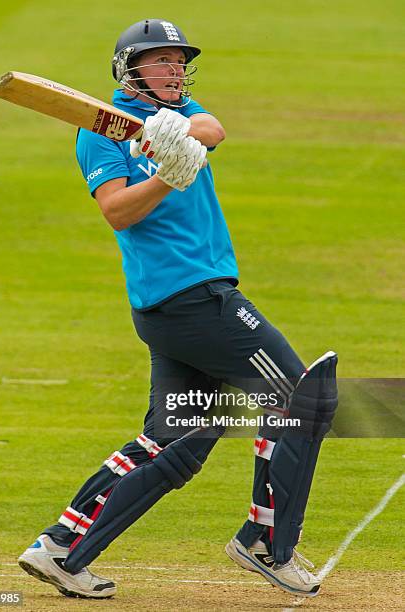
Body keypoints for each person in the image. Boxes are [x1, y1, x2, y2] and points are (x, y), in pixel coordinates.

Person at [18, 19, 338, 600]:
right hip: (191, 299)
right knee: (299, 398)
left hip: (180, 305)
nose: (173, 70)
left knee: (177, 440)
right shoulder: (99, 133)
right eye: (159, 61)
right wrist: (167, 175)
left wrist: (180, 133)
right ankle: (265, 542)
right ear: (129, 69)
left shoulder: (176, 111)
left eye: (177, 61)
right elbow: (117, 212)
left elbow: (213, 127)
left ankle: (62, 545)